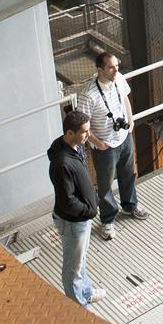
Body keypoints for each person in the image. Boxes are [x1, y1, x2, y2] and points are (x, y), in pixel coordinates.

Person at [79, 51, 149, 240]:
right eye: (111, 67)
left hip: (124, 138)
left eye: (116, 66)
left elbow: (125, 98)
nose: (115, 70)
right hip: (105, 146)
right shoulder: (88, 94)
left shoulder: (119, 79)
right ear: (100, 69)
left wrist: (131, 121)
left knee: (128, 174)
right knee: (105, 184)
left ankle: (130, 205)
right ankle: (108, 220)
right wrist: (98, 143)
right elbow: (82, 123)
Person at [46, 108, 106, 307]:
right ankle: (78, 307)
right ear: (69, 133)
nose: (88, 135)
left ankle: (86, 292)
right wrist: (89, 210)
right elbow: (68, 201)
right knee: (73, 268)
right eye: (84, 132)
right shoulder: (62, 164)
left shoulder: (74, 146)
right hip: (74, 223)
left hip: (81, 219)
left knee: (80, 261)